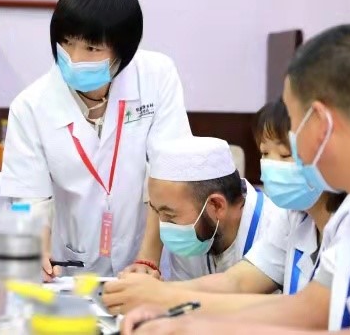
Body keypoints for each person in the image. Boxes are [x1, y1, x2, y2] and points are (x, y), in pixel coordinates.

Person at [126, 24, 350, 335]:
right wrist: (185, 319)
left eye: (293, 126)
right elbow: (313, 308)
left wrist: (194, 327)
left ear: (321, 121)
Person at [0, 0, 191, 279]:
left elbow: (168, 172)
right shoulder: (30, 107)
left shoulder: (157, 76)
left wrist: (148, 260)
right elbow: (30, 198)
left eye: (91, 48)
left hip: (148, 255)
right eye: (66, 43)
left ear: (123, 51)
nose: (75, 59)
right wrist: (37, 251)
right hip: (71, 266)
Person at [117, 100, 350, 327]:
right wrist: (154, 293)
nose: (272, 166)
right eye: (264, 154)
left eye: (284, 155)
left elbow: (303, 311)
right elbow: (237, 281)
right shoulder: (294, 217)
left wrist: (163, 297)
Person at [102, 135, 285, 315]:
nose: (164, 227)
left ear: (216, 205)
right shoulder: (194, 236)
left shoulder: (275, 226)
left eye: (170, 216)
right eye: (157, 212)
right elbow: (185, 310)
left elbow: (240, 287)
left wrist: (157, 293)